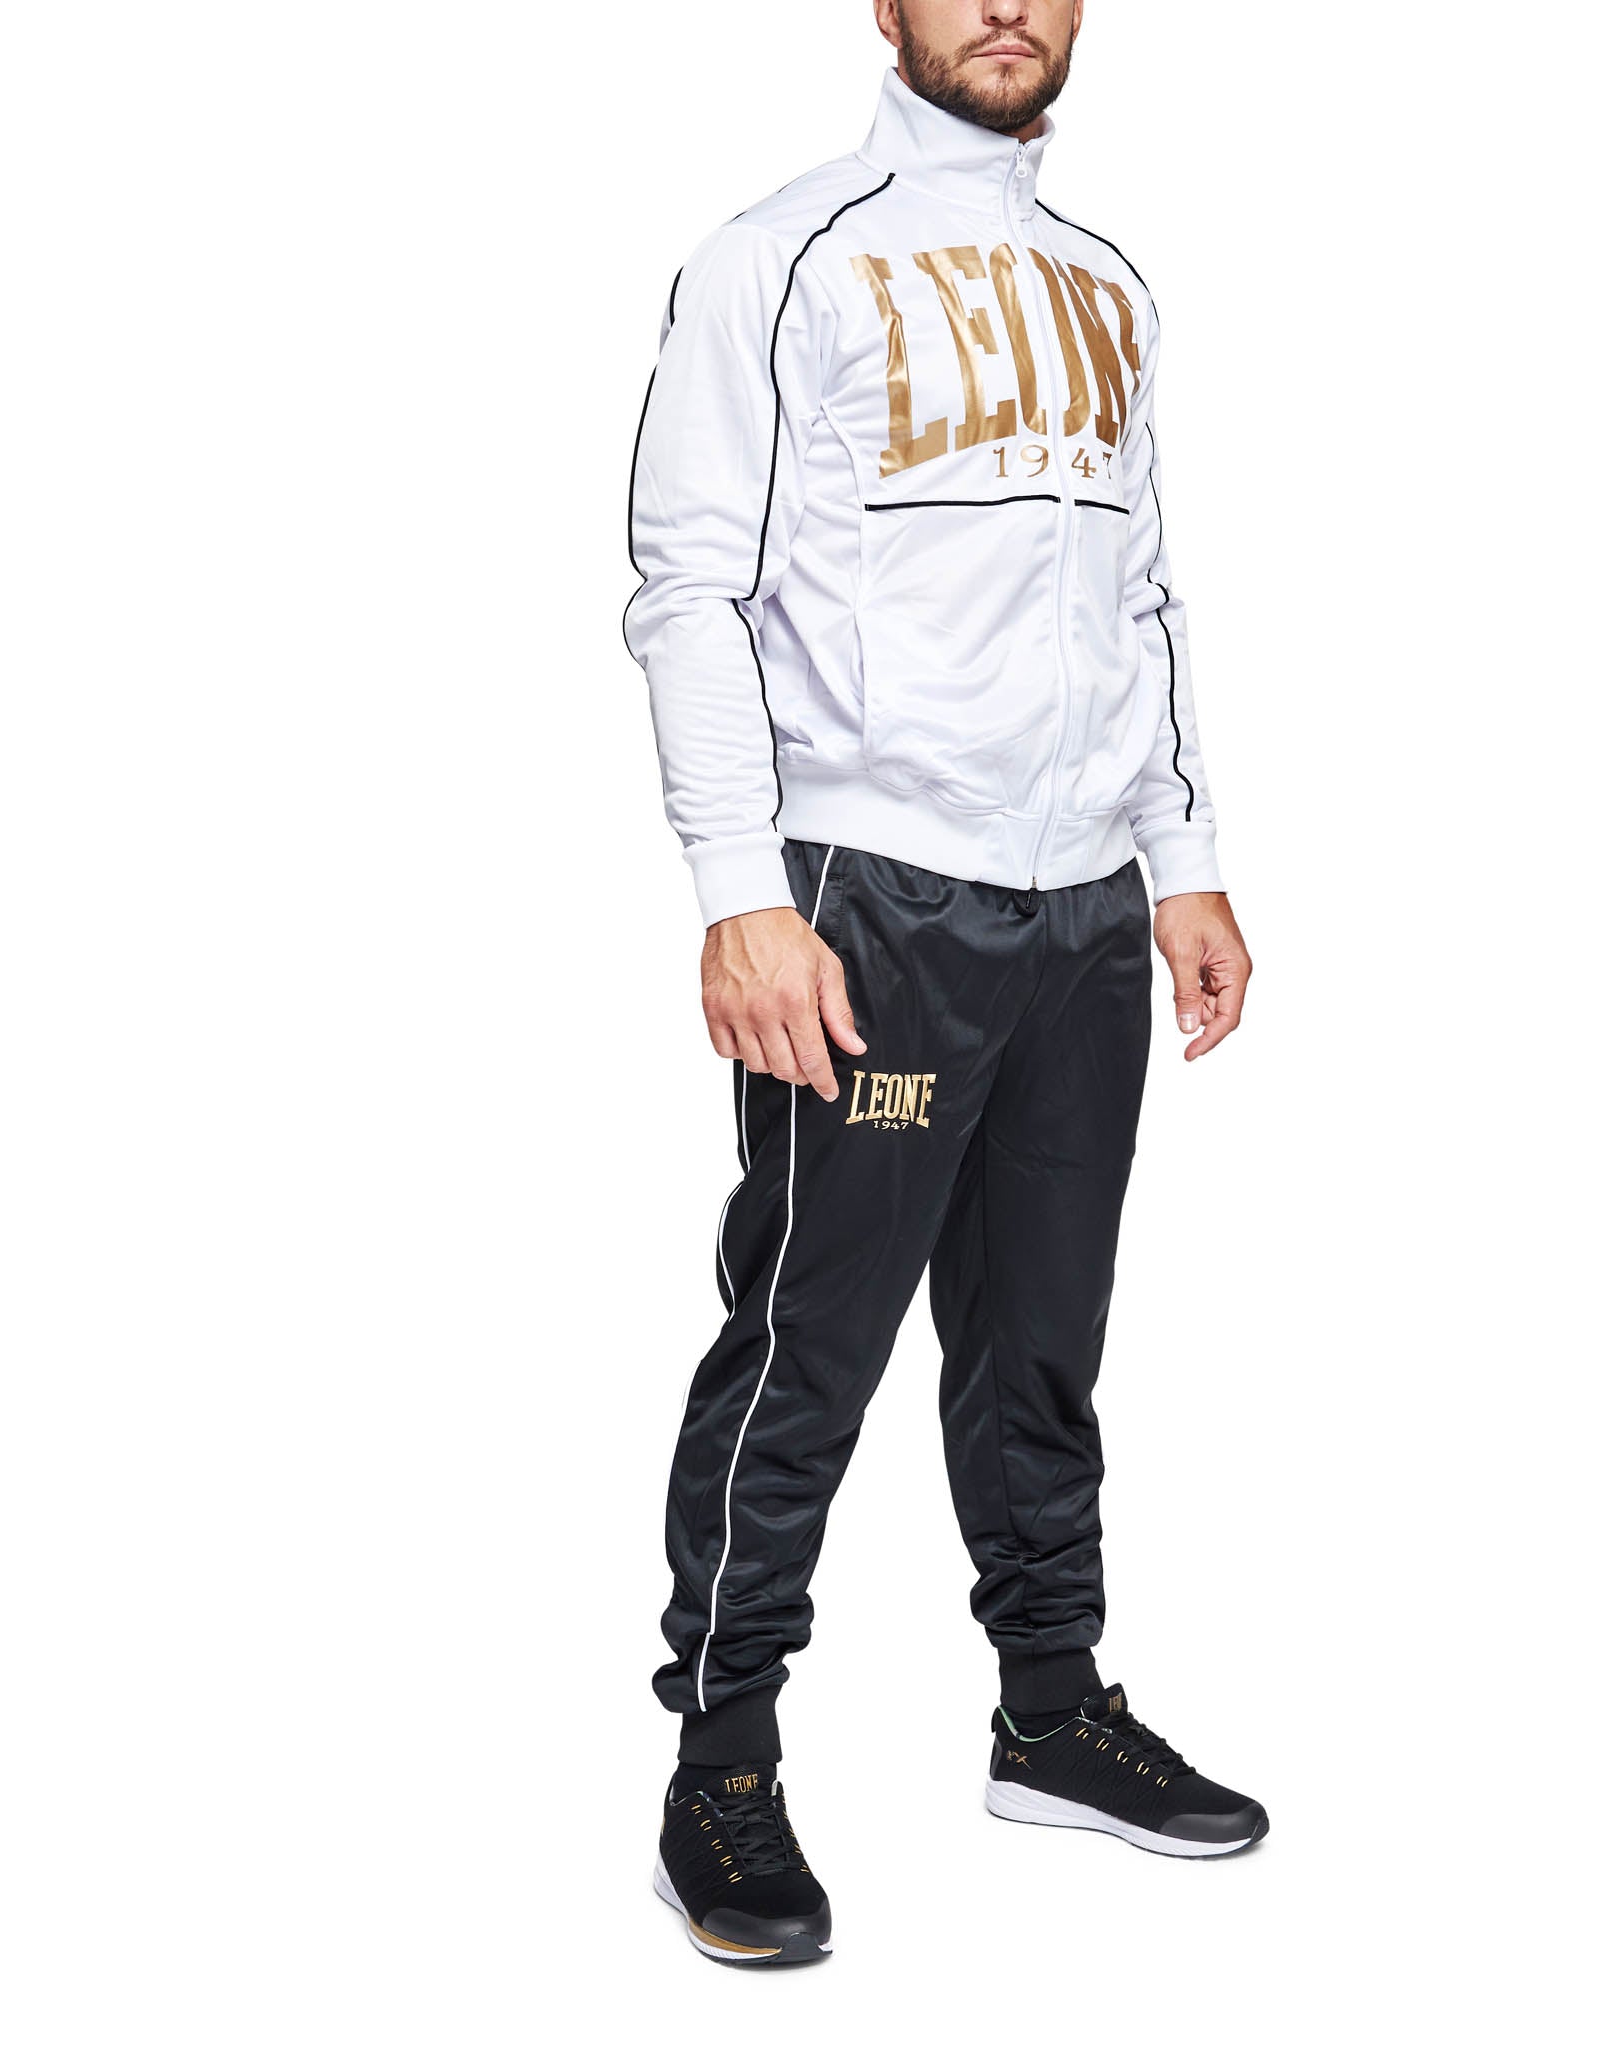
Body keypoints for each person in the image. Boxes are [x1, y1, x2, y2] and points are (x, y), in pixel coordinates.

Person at [624, 0, 1264, 1965]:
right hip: (875, 900)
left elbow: (1137, 589)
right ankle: (721, 1761)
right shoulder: (780, 256)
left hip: (1083, 912)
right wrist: (740, 890)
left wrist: (1183, 855)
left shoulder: (1106, 283)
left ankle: (1051, 1711)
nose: (1005, 6)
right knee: (806, 1344)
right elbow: (686, 584)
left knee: (1044, 1340)